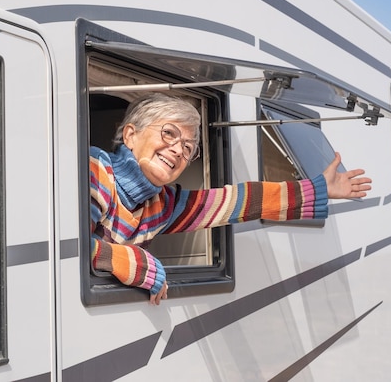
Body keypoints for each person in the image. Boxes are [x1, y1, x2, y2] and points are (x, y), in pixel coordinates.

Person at [90, 93, 372, 305]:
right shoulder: (93, 171)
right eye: (168, 133)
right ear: (130, 135)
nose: (177, 150)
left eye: (188, 148)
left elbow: (238, 202)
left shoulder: (161, 205)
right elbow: (70, 250)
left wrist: (318, 189)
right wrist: (139, 265)